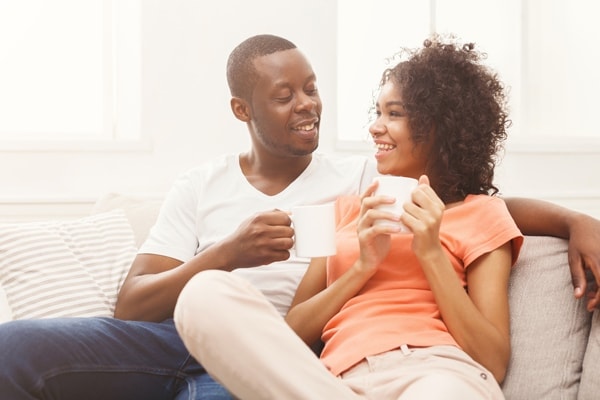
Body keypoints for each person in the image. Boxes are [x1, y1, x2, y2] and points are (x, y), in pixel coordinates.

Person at [0, 33, 599, 400]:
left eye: (311, 88)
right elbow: (135, 305)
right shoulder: (207, 186)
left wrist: (577, 221)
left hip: (343, 370)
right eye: (285, 96)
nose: (309, 105)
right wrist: (229, 254)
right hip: (225, 340)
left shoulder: (369, 181)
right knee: (22, 346)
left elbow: (474, 203)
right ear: (243, 109)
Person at [172, 33, 525, 399]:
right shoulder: (346, 210)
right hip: (337, 385)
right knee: (203, 294)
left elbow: (493, 360)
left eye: (394, 114)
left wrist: (431, 252)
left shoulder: (482, 214)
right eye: (377, 112)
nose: (375, 127)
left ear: (438, 128)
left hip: (435, 375)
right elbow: (292, 332)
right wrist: (362, 266)